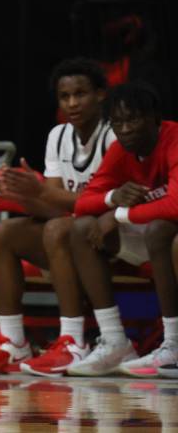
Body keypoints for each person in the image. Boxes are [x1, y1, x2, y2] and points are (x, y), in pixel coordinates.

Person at [0, 58, 114, 376]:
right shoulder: (58, 135)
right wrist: (23, 195)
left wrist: (39, 191)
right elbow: (56, 205)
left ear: (100, 94)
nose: (72, 103)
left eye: (80, 94)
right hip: (70, 232)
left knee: (57, 229)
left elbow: (103, 204)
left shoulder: (113, 136)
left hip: (108, 235)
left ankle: (74, 341)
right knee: (0, 234)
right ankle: (12, 342)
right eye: (64, 96)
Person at [68, 82, 178, 377]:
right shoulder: (120, 150)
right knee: (80, 229)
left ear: (155, 118)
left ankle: (174, 344)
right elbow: (82, 205)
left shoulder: (174, 138)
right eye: (117, 123)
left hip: (168, 237)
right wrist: (111, 198)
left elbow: (176, 206)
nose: (125, 129)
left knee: (158, 229)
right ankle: (115, 340)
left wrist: (118, 214)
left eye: (133, 119)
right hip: (154, 237)